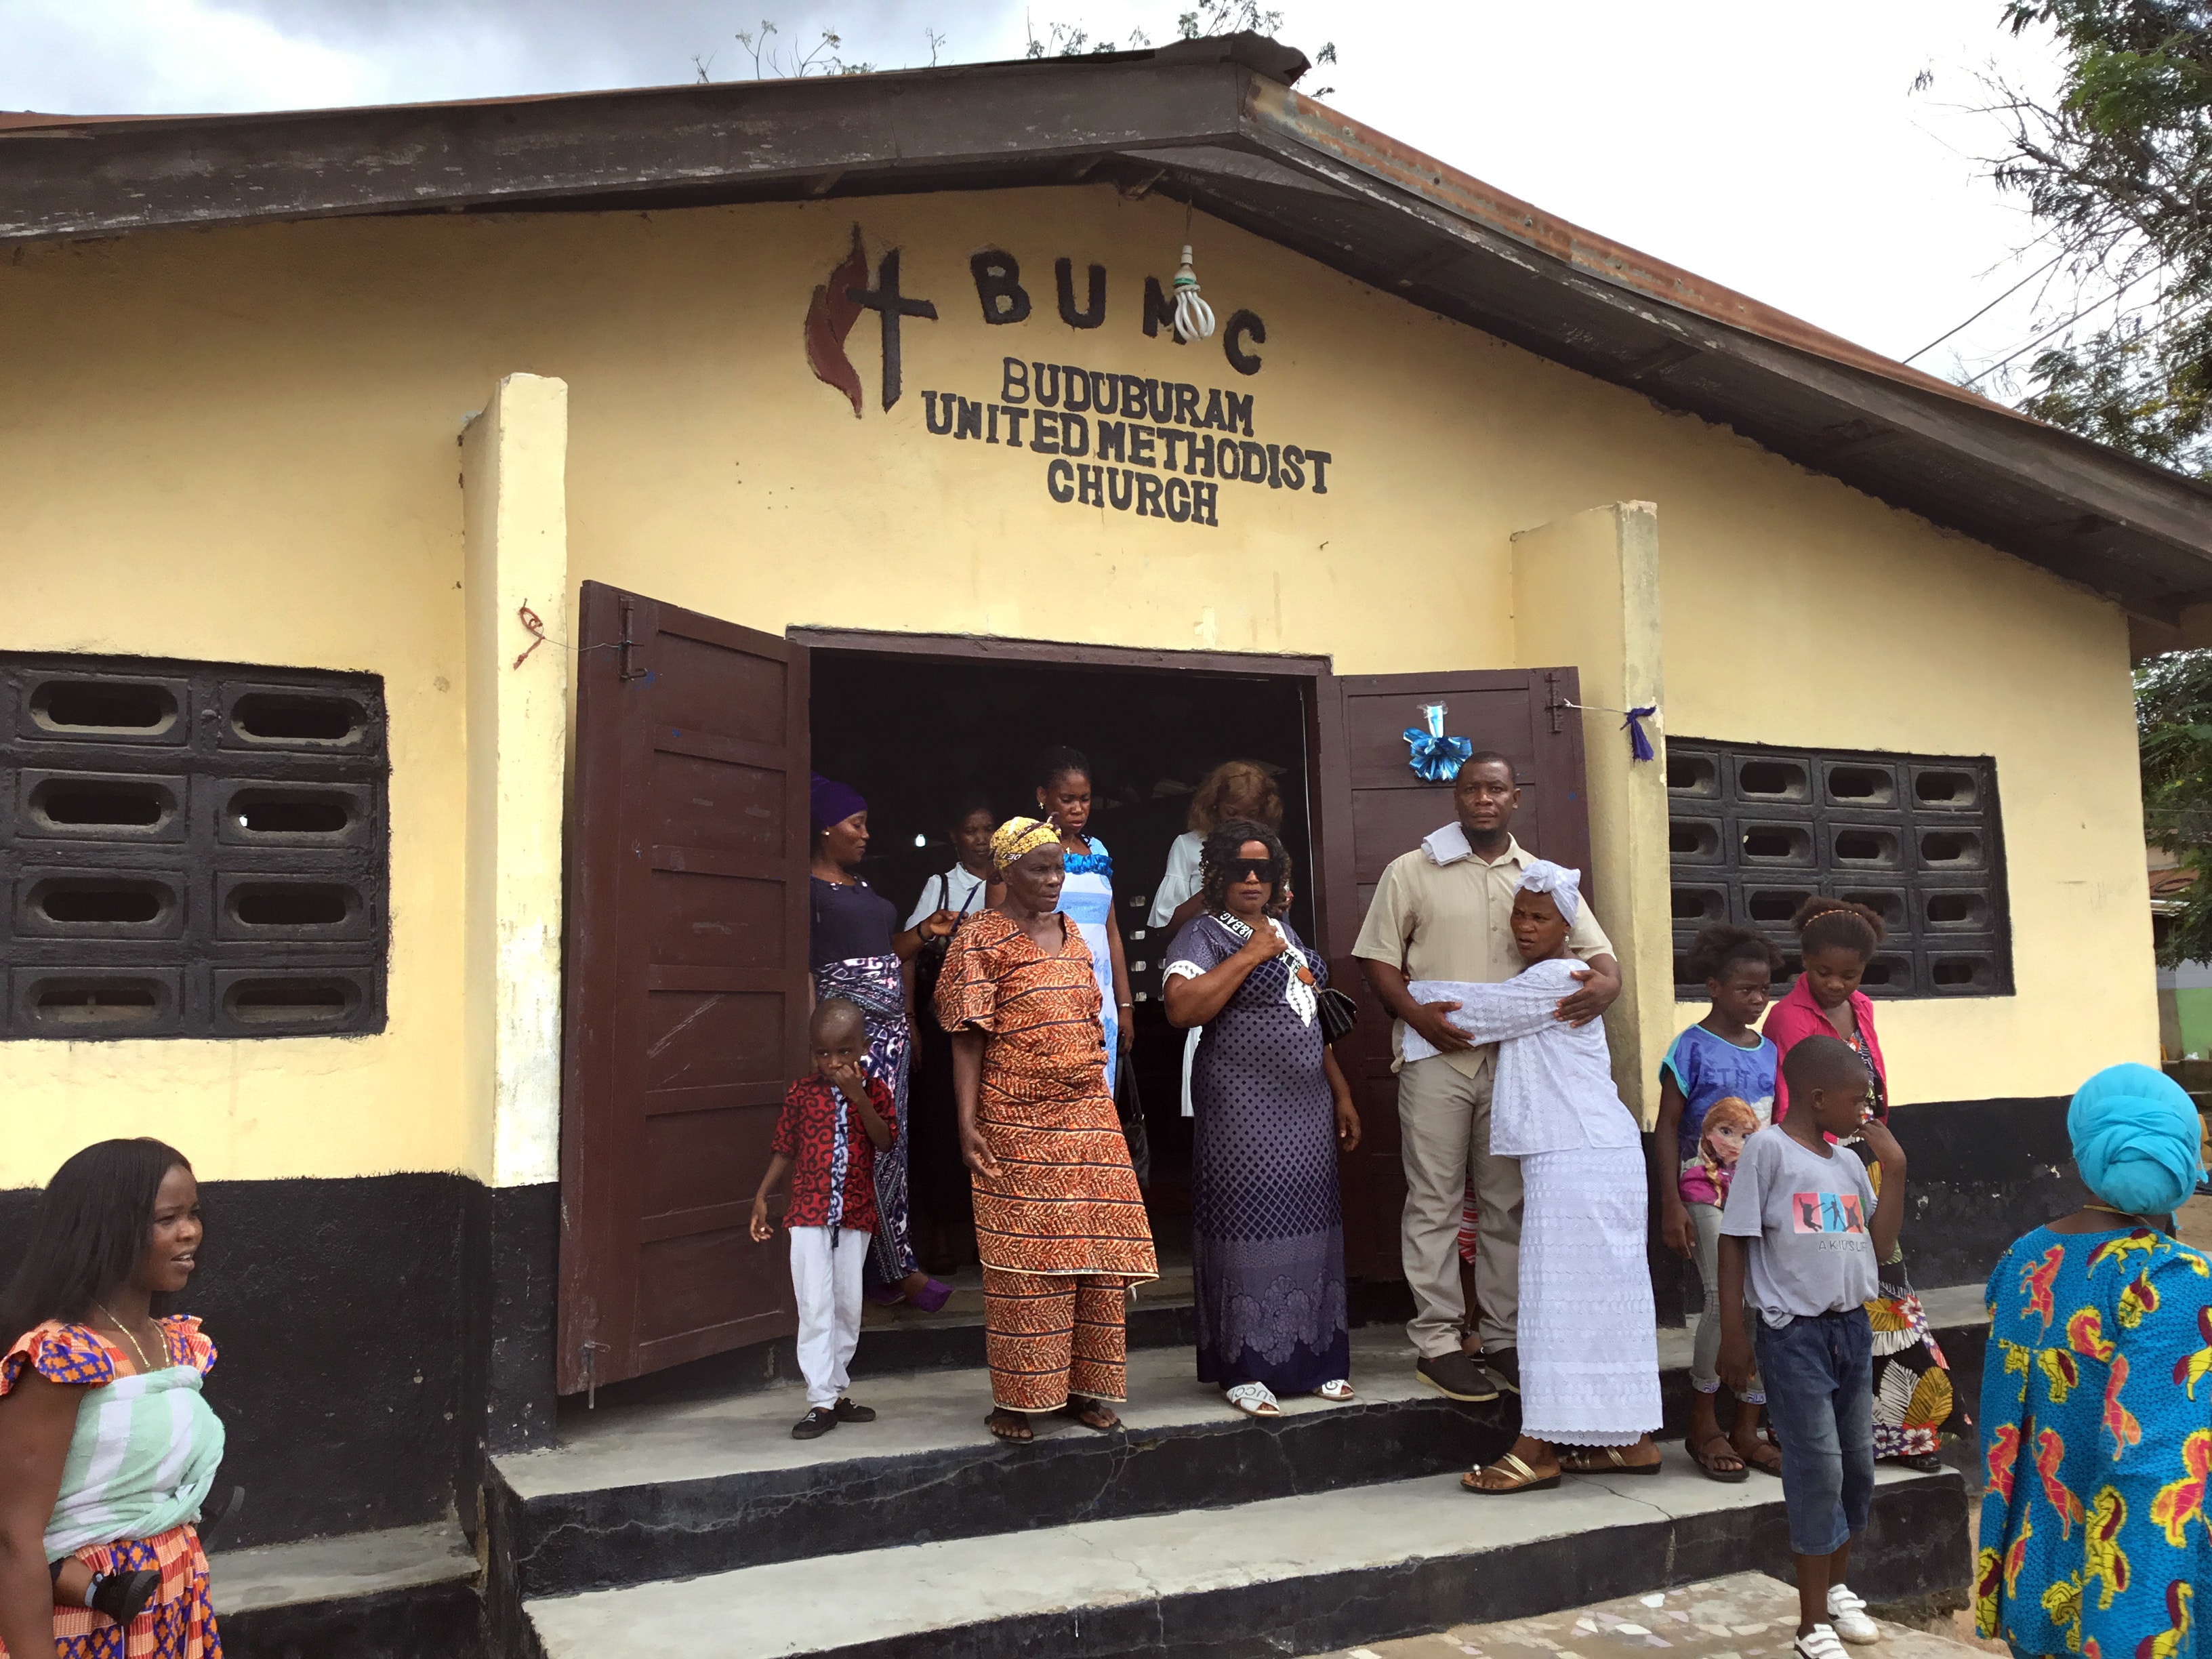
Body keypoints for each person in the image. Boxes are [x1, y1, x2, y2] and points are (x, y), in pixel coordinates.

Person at [1351, 751, 1622, 1402]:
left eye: (1495, 789)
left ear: (1514, 798)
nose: (1483, 799)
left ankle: (1503, 1337)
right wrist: (1415, 1014)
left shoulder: (1541, 878)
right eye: (1472, 788)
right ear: (1456, 796)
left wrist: (1609, 986)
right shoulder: (1412, 869)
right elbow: (1377, 960)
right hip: (1436, 1057)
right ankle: (1439, 1342)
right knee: (1434, 1200)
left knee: (1507, 1203)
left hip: (1517, 1064)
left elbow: (1599, 954)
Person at [1428, 863, 1661, 1493]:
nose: (1525, 926)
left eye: (1540, 917)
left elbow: (1464, 1014)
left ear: (1567, 927)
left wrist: (1395, 990)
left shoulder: (1557, 980)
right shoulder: (1565, 978)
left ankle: (1536, 1450)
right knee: (1604, 1305)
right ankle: (1632, 1443)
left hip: (1577, 1156)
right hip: (1595, 1153)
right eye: (1520, 914)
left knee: (1554, 1307)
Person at [1973, 1062, 2210, 1659]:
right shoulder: (2170, 1277)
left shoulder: (2024, 1259)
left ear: (2083, 1157)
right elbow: (2155, 1469)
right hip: (2129, 1607)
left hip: (2034, 1574)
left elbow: (2003, 1429)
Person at [935, 816, 1159, 1443]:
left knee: (1097, 1256)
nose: (1054, 880)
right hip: (1015, 1119)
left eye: (1059, 868)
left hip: (1087, 1119)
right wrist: (966, 1122)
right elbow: (966, 1040)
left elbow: (1090, 1019)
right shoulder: (979, 938)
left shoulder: (1075, 934)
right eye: (1039, 869)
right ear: (1005, 872)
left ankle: (1085, 1389)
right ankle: (1017, 1400)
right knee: (1025, 1262)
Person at [1163, 820, 1362, 1417]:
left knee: (1311, 1219)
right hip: (1241, 1105)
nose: (1253, 880)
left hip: (1306, 1105)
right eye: (1241, 869)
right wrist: (1250, 955)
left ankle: (1316, 1359)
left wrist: (1342, 1093)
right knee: (1246, 1223)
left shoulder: (1284, 930)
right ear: (1218, 875)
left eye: (1264, 869)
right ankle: (1246, 1367)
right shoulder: (1203, 934)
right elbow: (1181, 1009)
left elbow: (1310, 1016)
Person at [1719, 1036, 1906, 1659]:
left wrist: (1896, 1170)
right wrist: (1733, 1331)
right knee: (1816, 1466)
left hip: (1852, 1328)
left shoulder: (1849, 1164)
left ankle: (1837, 1590)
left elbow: (1880, 1247)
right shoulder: (1768, 1151)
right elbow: (1734, 1239)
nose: (1865, 1112)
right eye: (1857, 1101)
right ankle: (1809, 1625)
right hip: (1793, 1334)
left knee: (1856, 1464)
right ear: (1818, 1097)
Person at [0, 1140, 225, 1659]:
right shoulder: (64, 1358)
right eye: (167, 1219)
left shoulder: (176, 1346)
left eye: (193, 1213)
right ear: (108, 1229)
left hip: (170, 1601)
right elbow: (13, 1539)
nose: (190, 1231)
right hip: (78, 1624)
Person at [1765, 897, 1958, 1473]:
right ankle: (1819, 1431)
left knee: (1888, 1292)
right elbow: (1787, 1099)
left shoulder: (1864, 1007)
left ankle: (1906, 1433)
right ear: (1804, 962)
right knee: (1831, 1292)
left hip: (1867, 1161)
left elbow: (1874, 1082)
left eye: (1849, 975)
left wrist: (1881, 1149)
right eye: (1823, 972)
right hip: (1816, 1168)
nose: (1835, 984)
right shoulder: (1786, 1018)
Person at [808, 771, 956, 1313]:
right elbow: (804, 971)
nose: (867, 834)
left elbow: (886, 952)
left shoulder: (861, 886)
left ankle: (883, 1269)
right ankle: (896, 1270)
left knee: (891, 1147)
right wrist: (814, 1045)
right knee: (859, 1151)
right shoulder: (806, 891)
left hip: (890, 1039)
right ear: (826, 828)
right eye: (857, 823)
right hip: (853, 1040)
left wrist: (924, 932)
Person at [1654, 924, 1784, 1481]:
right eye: (1745, 989)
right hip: (1703, 1191)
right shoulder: (1690, 1046)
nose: (1757, 1000)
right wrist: (1670, 1204)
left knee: (1759, 1300)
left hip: (1757, 1195)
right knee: (1719, 1297)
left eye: (1765, 990)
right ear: (1714, 988)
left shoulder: (1771, 1052)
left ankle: (1747, 1427)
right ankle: (1703, 1421)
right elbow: (1666, 1127)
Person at [749, 998, 897, 1440]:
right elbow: (785, 1147)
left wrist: (858, 1098)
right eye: (823, 1053)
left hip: (855, 1214)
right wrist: (762, 1195)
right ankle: (820, 1400)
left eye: (844, 1051)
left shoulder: (875, 1092)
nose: (833, 1062)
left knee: (848, 1307)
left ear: (864, 1048)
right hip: (808, 1213)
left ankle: (834, 1391)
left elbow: (885, 1141)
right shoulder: (802, 1093)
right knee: (815, 1305)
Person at [1150, 761, 1287, 1121]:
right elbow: (1165, 924)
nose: (1239, 821)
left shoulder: (1266, 848)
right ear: (1213, 807)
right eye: (1231, 812)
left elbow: (1277, 914)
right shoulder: (1187, 846)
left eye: (1251, 814)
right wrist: (1217, 883)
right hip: (1210, 967)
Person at [903, 792, 996, 1272]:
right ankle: (938, 1236)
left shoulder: (1012, 880)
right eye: (971, 830)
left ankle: (988, 1235)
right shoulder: (941, 886)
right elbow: (908, 952)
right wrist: (909, 1019)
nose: (981, 839)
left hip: (996, 1022)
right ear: (954, 837)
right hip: (944, 1022)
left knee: (993, 1123)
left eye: (987, 829)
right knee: (941, 1123)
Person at [1032, 747, 1135, 1097]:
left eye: (1085, 799)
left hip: (1101, 998)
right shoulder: (1027, 852)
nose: (1078, 809)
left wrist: (1124, 1004)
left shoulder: (1098, 850)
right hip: (1051, 995)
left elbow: (1112, 932)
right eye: (1068, 799)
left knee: (1099, 1099)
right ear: (1043, 796)